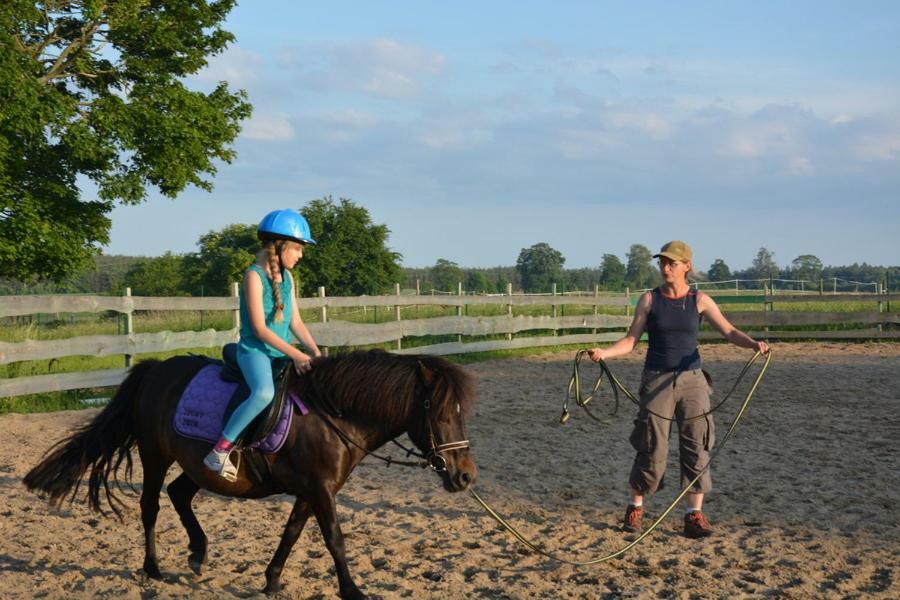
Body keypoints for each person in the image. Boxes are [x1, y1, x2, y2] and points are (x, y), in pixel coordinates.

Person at [587, 240, 769, 538]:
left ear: (686, 266)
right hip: (656, 379)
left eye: (672, 263)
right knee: (651, 444)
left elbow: (729, 331)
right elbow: (631, 340)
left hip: (693, 381)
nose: (665, 267)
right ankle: (635, 507)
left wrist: (753, 344)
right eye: (662, 262)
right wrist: (605, 353)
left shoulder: (700, 300)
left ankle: (693, 515)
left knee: (697, 444)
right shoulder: (649, 300)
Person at [204, 209, 322, 480]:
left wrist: (314, 352)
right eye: (297, 248)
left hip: (281, 353)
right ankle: (220, 450)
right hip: (255, 352)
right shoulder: (253, 277)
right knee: (263, 394)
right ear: (279, 246)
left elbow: (296, 323)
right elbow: (258, 329)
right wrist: (295, 354)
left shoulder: (288, 279)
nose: (300, 255)